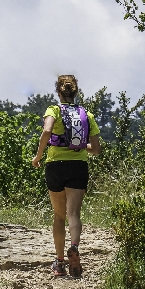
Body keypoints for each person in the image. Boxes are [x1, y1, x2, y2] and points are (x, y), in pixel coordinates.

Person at [31, 75, 101, 277]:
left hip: (55, 166)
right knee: (74, 214)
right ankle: (75, 247)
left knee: (59, 215)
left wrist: (38, 156)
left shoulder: (54, 110)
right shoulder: (86, 114)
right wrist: (77, 145)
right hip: (78, 166)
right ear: (76, 92)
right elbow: (96, 149)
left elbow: (46, 131)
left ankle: (60, 263)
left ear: (58, 93)